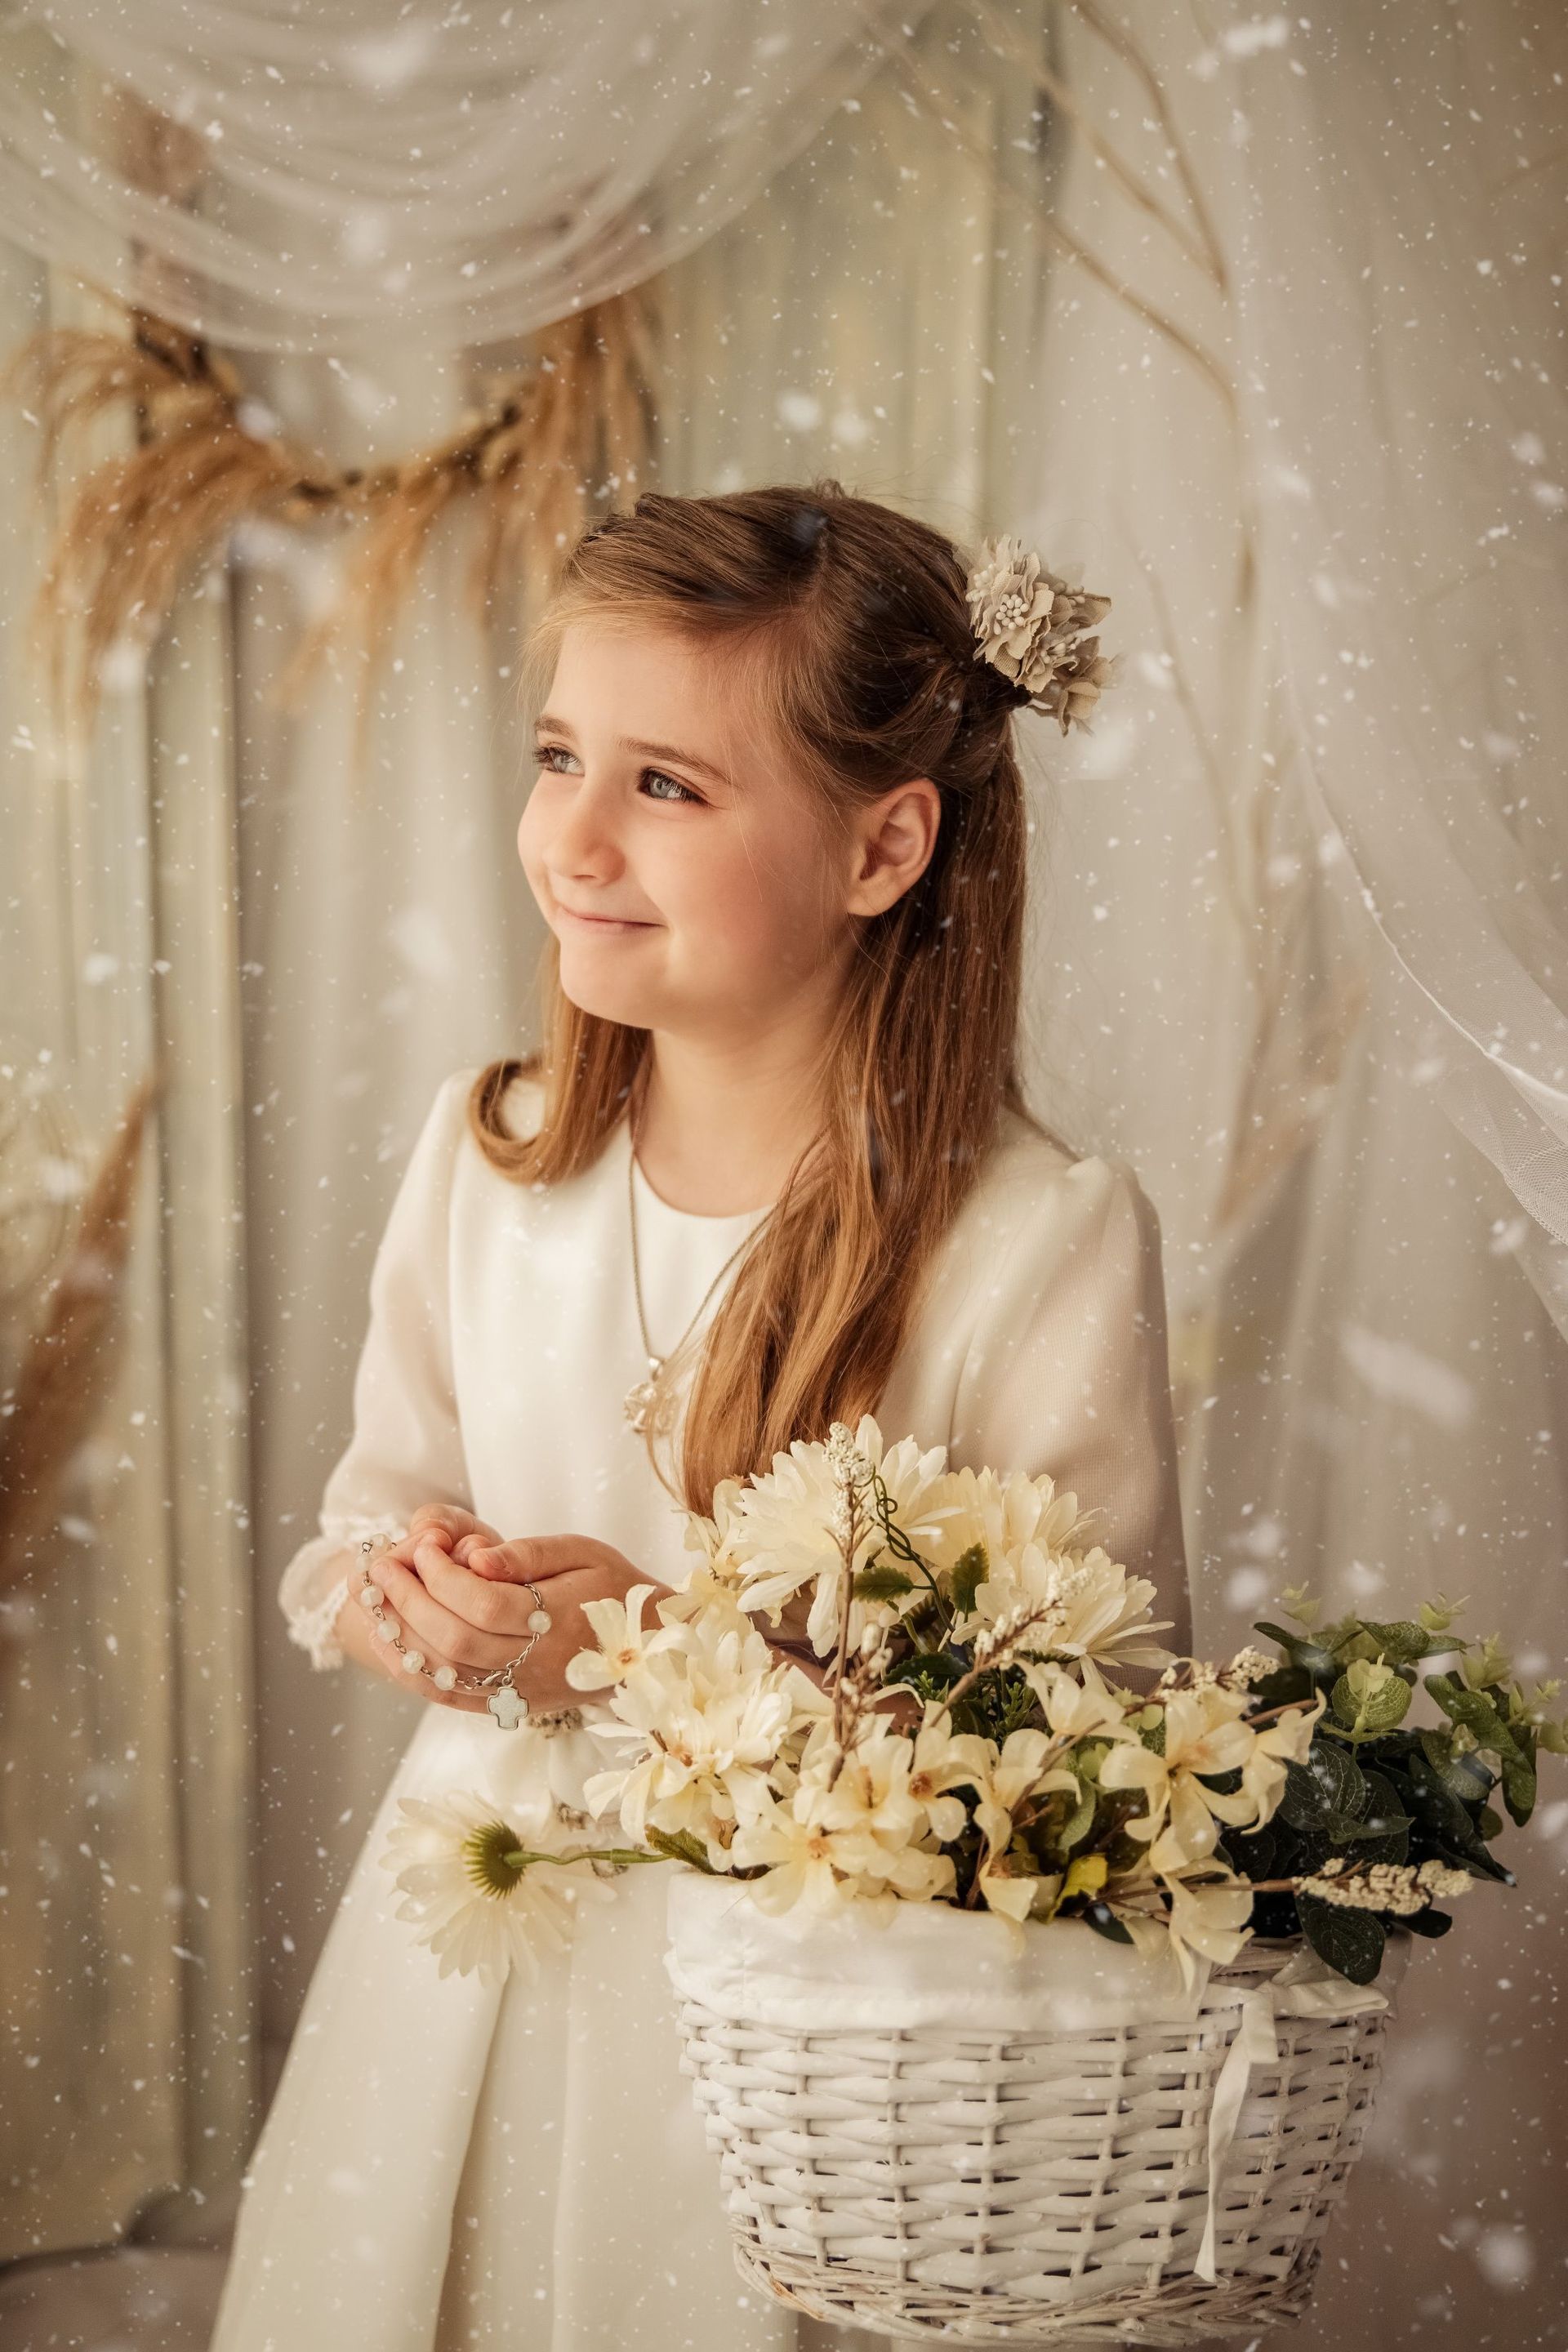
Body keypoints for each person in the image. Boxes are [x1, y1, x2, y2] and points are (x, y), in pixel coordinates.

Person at [209, 481, 1192, 2352]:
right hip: (466, 1964)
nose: (571, 837)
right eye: (560, 753)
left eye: (667, 785)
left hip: (803, 2041)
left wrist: (657, 1654)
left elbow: (1097, 1746)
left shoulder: (1032, 1237)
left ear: (884, 847)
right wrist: (405, 1589)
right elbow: (360, 1519)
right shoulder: (490, 1152)